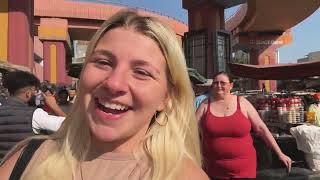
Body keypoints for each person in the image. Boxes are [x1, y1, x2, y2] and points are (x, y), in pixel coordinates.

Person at [0, 10, 209, 180]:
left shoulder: (187, 175)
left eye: (141, 72)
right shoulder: (27, 159)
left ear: (167, 97)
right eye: (103, 62)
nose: (114, 83)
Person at [196, 71, 292, 179]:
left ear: (231, 85)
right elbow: (190, 130)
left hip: (244, 169)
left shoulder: (242, 102)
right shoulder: (204, 105)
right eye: (215, 83)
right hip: (214, 169)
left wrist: (280, 153)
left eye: (223, 83)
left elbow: (261, 128)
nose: (218, 86)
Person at [0, 71, 65, 160]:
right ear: (28, 93)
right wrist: (55, 107)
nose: (36, 94)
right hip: (23, 170)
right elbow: (72, 126)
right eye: (35, 91)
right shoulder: (35, 114)